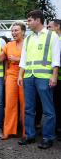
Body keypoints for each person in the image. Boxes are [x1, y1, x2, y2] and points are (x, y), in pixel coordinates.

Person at [18, 10, 60, 149]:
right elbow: (23, 59)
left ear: (37, 20)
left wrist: (54, 75)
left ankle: (48, 138)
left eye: (29, 20)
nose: (27, 23)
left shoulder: (52, 35)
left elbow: (56, 58)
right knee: (29, 108)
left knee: (48, 110)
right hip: (29, 77)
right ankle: (29, 135)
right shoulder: (28, 38)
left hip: (44, 78)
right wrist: (20, 75)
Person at [0, 22, 26, 140]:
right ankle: (8, 131)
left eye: (16, 30)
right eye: (12, 31)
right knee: (10, 103)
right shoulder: (8, 45)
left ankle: (26, 132)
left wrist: (18, 59)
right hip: (11, 75)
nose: (14, 33)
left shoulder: (28, 43)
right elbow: (0, 59)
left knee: (25, 104)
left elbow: (32, 58)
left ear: (23, 31)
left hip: (25, 75)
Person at [47, 19, 61, 141]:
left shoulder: (57, 40)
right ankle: (57, 128)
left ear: (57, 27)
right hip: (54, 78)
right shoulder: (52, 40)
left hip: (57, 78)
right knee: (56, 105)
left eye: (50, 27)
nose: (48, 29)